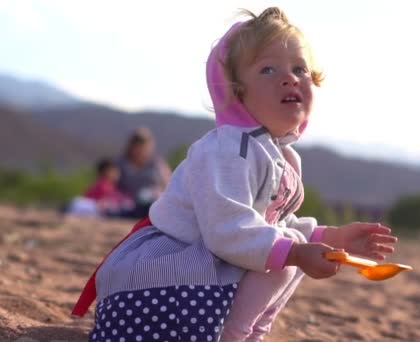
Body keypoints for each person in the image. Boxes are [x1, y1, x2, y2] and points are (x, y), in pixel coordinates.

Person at [72, 7, 398, 342]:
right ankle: (232, 335)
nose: (289, 78)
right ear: (237, 92)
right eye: (268, 69)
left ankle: (249, 332)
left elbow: (272, 226)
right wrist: (296, 252)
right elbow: (228, 227)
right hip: (162, 281)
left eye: (300, 68)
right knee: (288, 252)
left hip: (203, 273)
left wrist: (336, 238)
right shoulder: (230, 148)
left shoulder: (280, 155)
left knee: (289, 247)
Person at [115, 127, 171, 218]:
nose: (140, 150)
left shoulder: (157, 164)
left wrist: (158, 192)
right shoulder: (120, 164)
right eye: (138, 145)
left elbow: (169, 185)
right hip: (127, 205)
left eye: (144, 145)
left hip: (154, 203)